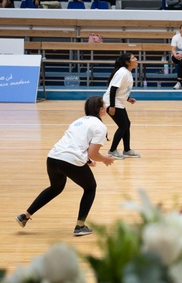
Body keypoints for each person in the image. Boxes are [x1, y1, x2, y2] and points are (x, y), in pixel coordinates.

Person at [15, 97, 115, 236]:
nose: (107, 106)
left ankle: (24, 216)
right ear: (101, 109)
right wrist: (105, 159)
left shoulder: (78, 121)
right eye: (105, 105)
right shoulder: (100, 126)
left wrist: (87, 161)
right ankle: (80, 226)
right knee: (90, 188)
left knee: (55, 188)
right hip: (69, 160)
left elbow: (75, 145)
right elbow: (93, 153)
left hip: (53, 157)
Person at [104, 52, 140, 159]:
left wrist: (128, 98)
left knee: (126, 124)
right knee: (123, 126)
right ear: (127, 62)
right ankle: (112, 151)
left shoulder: (127, 72)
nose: (136, 59)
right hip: (112, 102)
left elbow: (121, 90)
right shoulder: (122, 72)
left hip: (118, 101)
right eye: (133, 58)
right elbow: (113, 89)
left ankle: (127, 150)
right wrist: (112, 106)